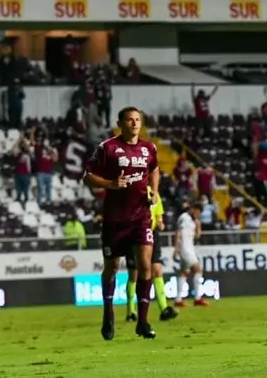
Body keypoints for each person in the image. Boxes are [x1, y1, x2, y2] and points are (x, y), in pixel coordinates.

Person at [83, 107, 160, 340]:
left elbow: (155, 169)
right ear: (120, 123)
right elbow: (87, 176)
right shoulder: (108, 148)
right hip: (115, 219)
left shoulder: (149, 148)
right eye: (130, 119)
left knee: (145, 265)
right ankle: (108, 313)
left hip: (141, 217)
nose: (135, 123)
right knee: (112, 268)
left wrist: (154, 193)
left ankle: (143, 321)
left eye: (138, 120)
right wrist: (110, 184)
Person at [124, 186, 177, 323]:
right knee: (134, 274)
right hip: (134, 233)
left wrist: (160, 222)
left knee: (157, 270)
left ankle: (164, 309)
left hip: (152, 233)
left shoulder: (153, 192)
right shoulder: (131, 191)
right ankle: (131, 311)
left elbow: (158, 214)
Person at [173, 203, 210, 308]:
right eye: (198, 212)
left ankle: (178, 300)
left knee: (184, 273)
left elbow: (198, 236)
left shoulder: (194, 221)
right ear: (193, 209)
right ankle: (197, 298)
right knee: (198, 270)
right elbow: (178, 233)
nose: (198, 215)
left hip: (190, 248)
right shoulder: (184, 217)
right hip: (185, 249)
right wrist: (176, 249)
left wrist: (198, 225)